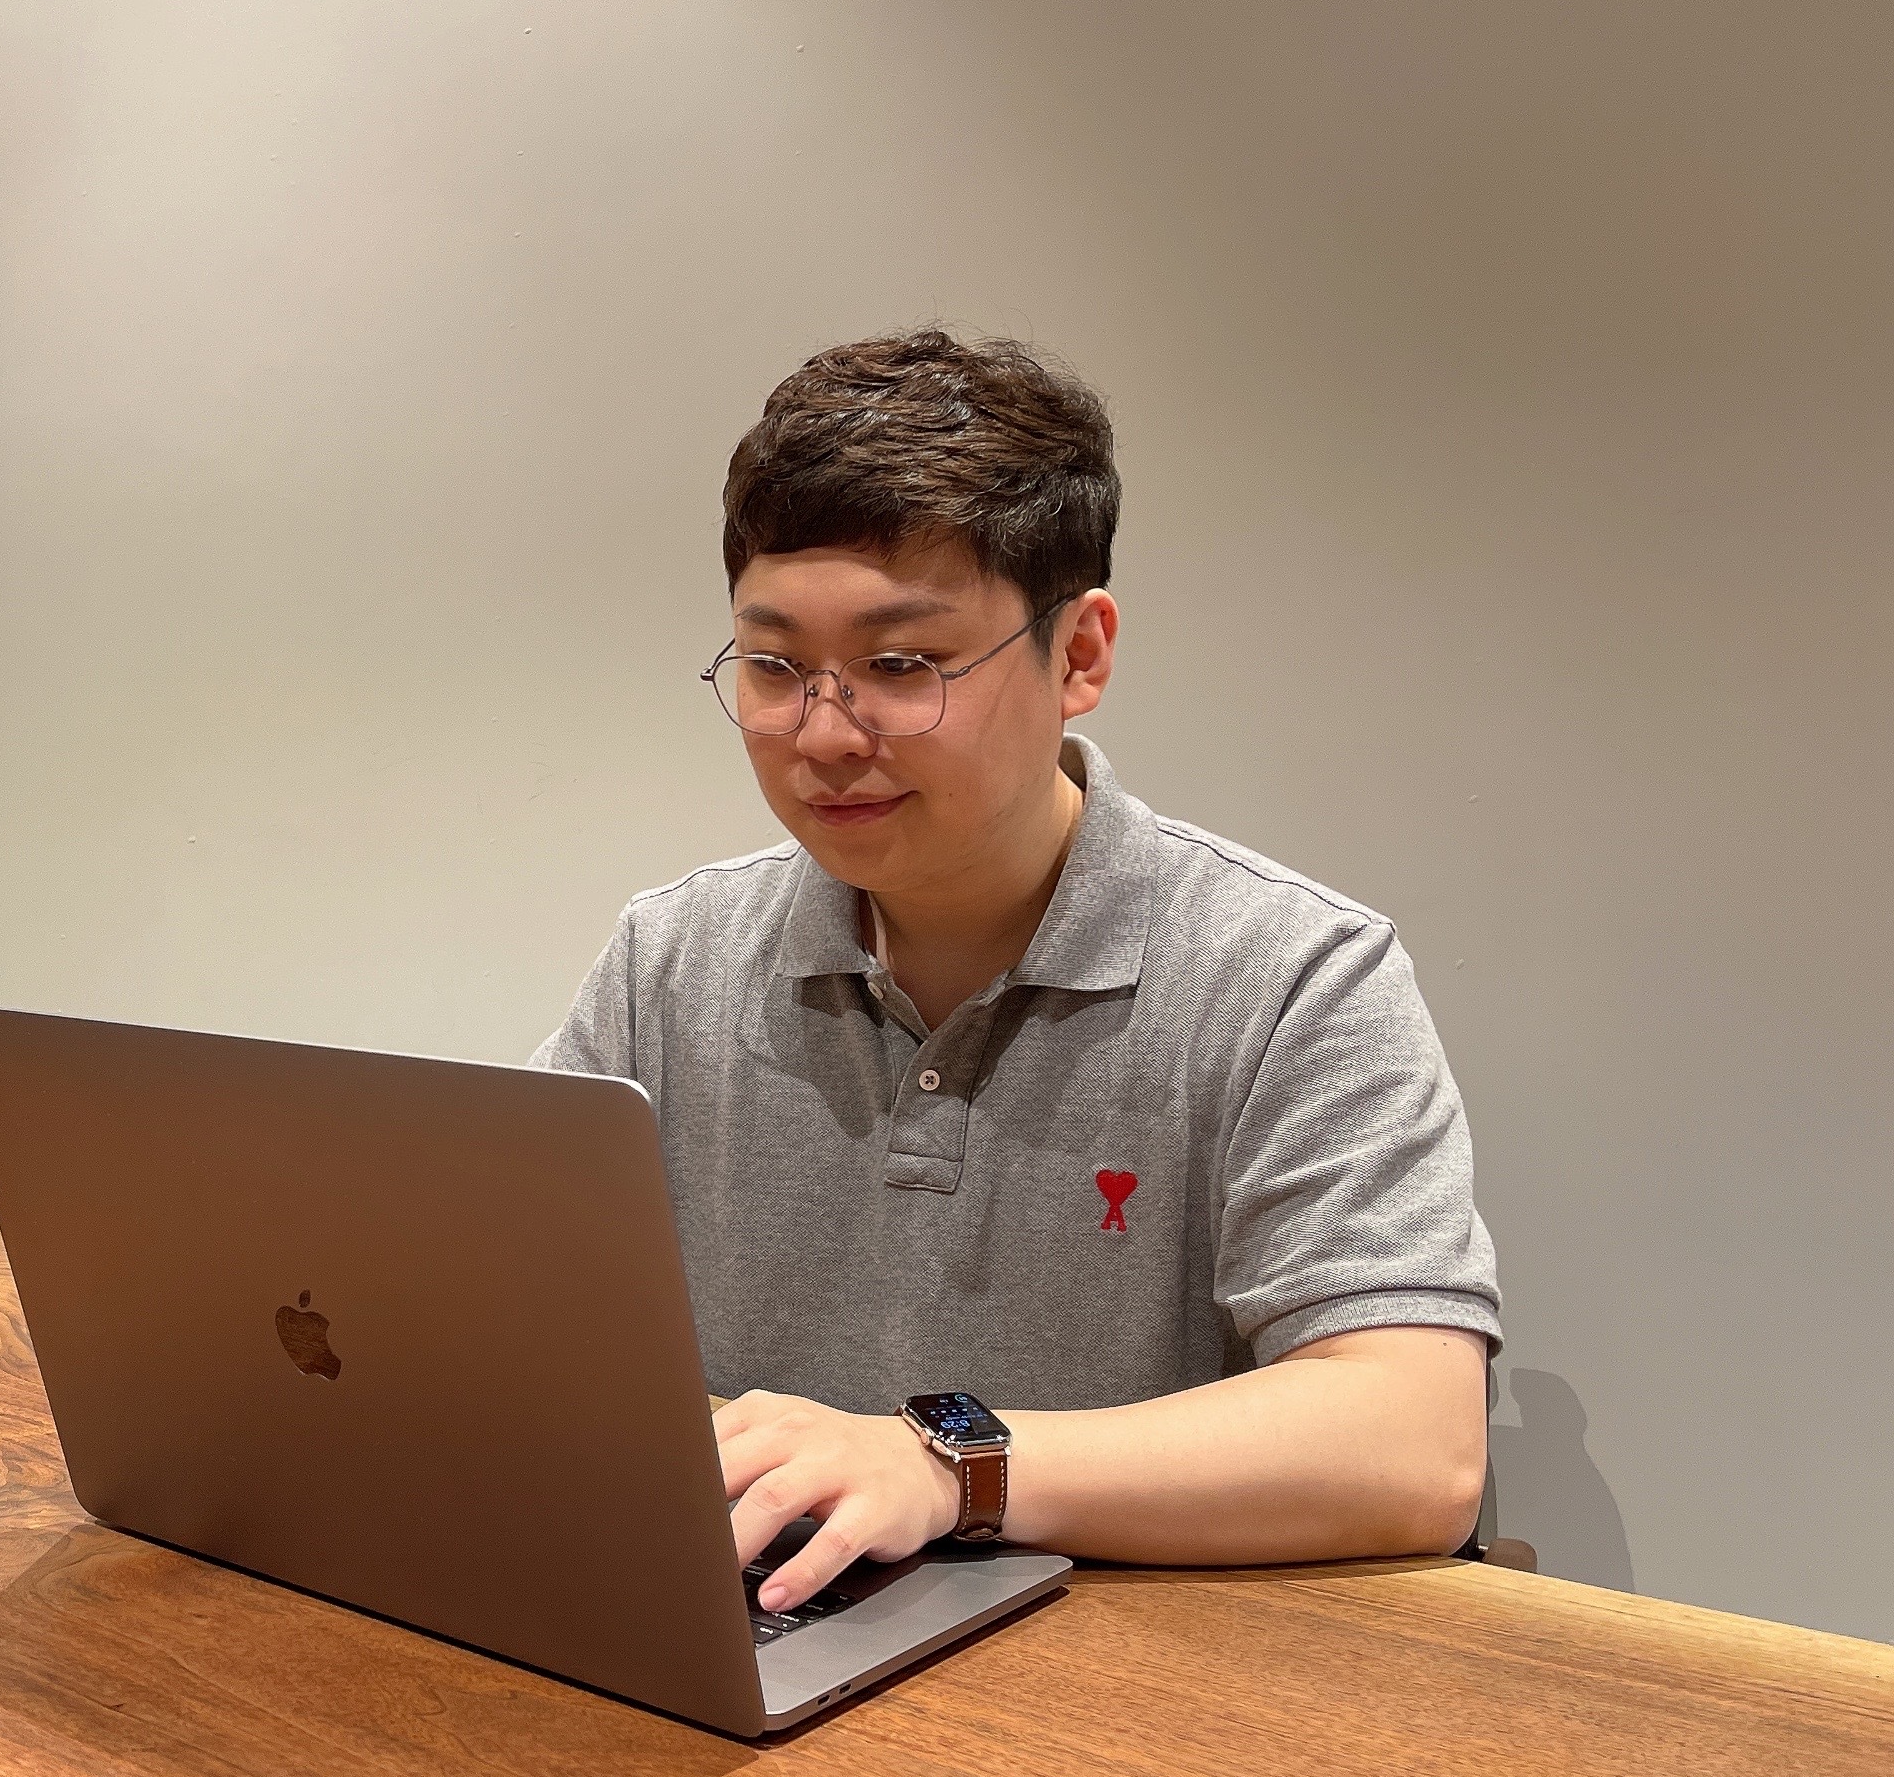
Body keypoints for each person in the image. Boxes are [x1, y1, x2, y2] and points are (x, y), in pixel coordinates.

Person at [534, 328, 1500, 1614]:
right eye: (774, 666)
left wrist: (946, 1465)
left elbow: (1412, 1444)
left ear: (1080, 655)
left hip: (1131, 1699)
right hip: (753, 1632)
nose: (824, 734)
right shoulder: (672, 960)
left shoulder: (1291, 976)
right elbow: (514, 1315)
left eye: (903, 665)